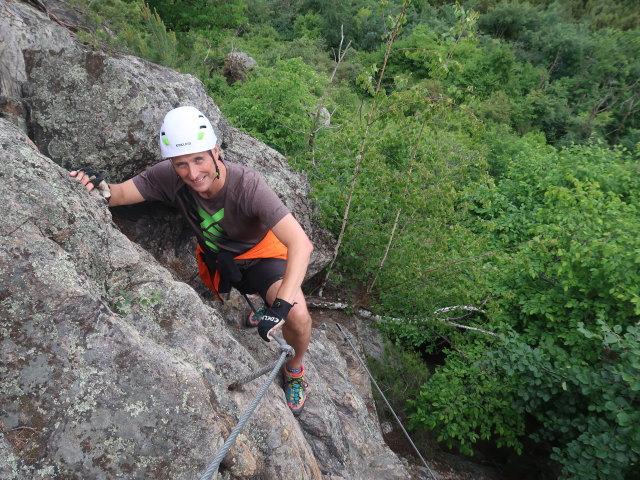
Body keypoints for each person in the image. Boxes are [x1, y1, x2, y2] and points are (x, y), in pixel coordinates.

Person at [70, 106, 313, 415]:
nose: (192, 173)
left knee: (298, 317)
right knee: (260, 294)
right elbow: (117, 195)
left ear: (215, 152)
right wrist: (97, 186)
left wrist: (281, 306)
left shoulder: (248, 186)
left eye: (199, 159)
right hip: (219, 260)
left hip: (262, 256)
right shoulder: (167, 177)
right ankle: (265, 302)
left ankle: (294, 370)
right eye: (181, 164)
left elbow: (301, 244)